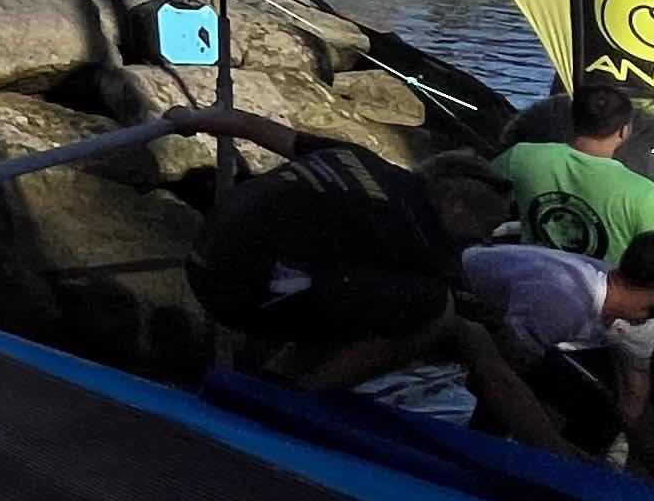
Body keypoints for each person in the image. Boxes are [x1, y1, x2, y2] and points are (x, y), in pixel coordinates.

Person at [188, 139, 512, 392]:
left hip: (203, 260)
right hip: (238, 285)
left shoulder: (361, 158)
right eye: (484, 226)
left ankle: (274, 378)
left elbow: (258, 129)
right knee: (434, 309)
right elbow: (473, 324)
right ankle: (303, 395)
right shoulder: (423, 232)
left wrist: (196, 120)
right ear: (456, 206)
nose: (483, 240)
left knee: (363, 287)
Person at [458, 229, 654, 475]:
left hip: (526, 334)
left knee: (605, 403)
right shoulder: (565, 298)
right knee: (522, 398)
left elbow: (633, 404)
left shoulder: (643, 326)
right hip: (454, 294)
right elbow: (494, 380)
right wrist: (562, 456)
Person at [495, 88, 654, 265]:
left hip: (532, 274)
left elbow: (479, 190)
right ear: (624, 131)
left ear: (573, 120)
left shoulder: (521, 157)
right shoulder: (643, 194)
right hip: (600, 292)